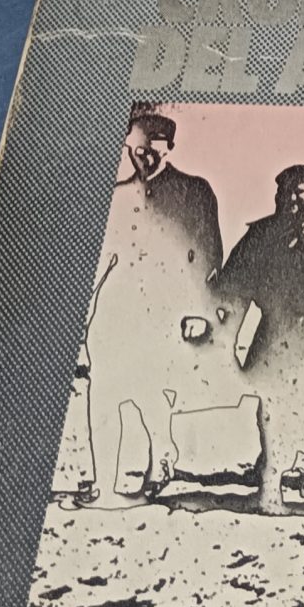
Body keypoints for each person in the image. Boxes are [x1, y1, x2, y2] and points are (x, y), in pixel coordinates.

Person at [79, 109, 225, 504]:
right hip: (116, 306)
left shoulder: (195, 193)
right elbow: (97, 262)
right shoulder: (116, 197)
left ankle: (162, 456)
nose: (143, 158)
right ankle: (103, 484)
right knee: (104, 391)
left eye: (152, 151)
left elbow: (209, 257)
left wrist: (200, 310)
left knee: (149, 390)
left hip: (165, 310)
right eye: (136, 150)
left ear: (169, 148)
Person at [216, 166, 304, 512]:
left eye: (300, 190)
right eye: (287, 191)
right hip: (277, 329)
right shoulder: (266, 231)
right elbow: (235, 277)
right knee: (270, 398)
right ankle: (277, 468)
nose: (293, 197)